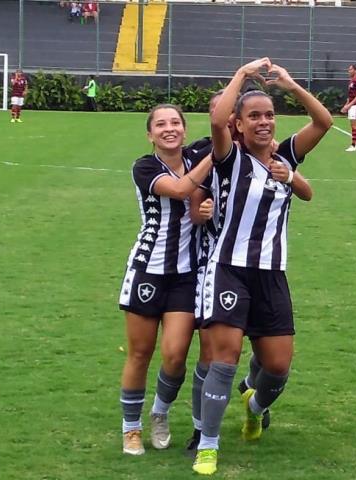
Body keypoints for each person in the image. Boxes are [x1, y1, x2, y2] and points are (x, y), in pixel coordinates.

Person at [193, 58, 332, 476]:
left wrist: (290, 84)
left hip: (272, 273)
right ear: (239, 124)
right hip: (229, 268)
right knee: (226, 358)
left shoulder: (287, 155)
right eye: (253, 116)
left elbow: (323, 122)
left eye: (269, 115)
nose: (264, 122)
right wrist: (241, 74)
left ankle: (253, 408)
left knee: (277, 368)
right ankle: (209, 445)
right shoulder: (228, 157)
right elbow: (217, 120)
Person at [118, 104, 216, 456]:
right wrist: (217, 156)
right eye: (160, 124)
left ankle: (159, 413)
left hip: (186, 275)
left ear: (185, 130)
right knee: (140, 354)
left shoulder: (196, 154)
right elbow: (178, 190)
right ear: (150, 134)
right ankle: (131, 428)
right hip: (147, 270)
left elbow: (225, 125)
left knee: (175, 356)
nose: (169, 129)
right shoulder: (144, 167)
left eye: (175, 122)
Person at [341, 62, 356, 152]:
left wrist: (350, 105)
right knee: (354, 125)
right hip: (353, 105)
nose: (348, 70)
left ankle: (353, 145)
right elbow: (350, 95)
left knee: (354, 125)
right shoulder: (352, 80)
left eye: (350, 69)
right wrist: (346, 105)